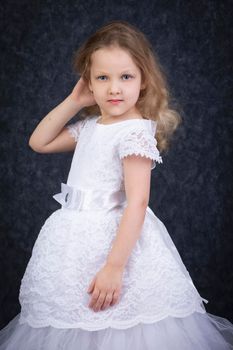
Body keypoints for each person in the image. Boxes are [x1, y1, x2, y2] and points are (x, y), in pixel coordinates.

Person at [0, 20, 233, 350]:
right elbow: (39, 142)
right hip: (73, 244)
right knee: (75, 324)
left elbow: (137, 202)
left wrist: (114, 267)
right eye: (102, 78)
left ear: (143, 81)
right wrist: (74, 101)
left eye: (126, 77)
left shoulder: (134, 131)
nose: (114, 88)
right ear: (89, 84)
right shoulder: (91, 126)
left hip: (116, 245)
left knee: (123, 328)